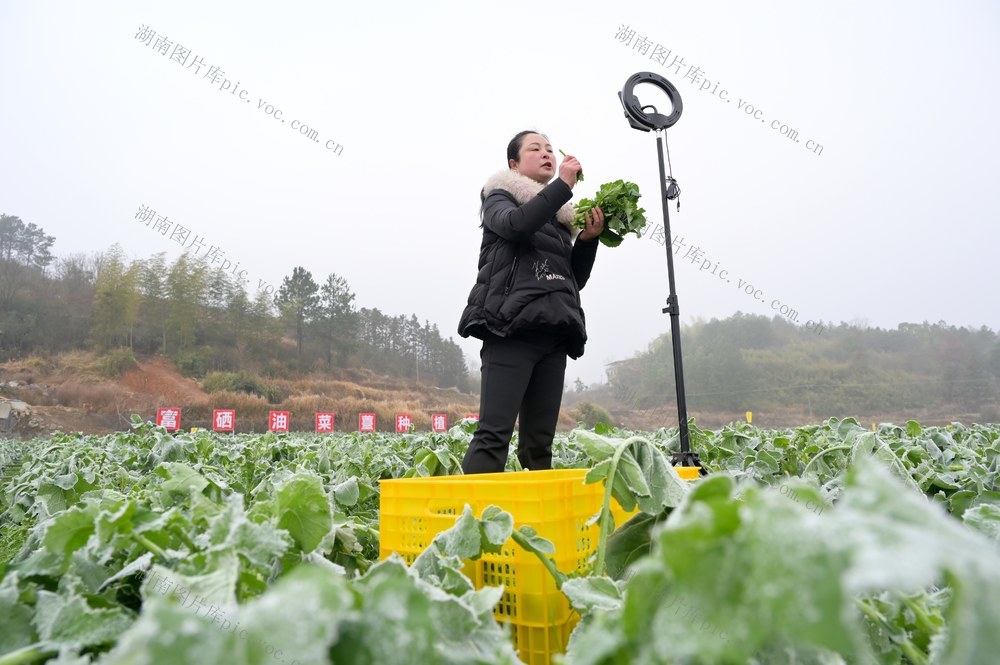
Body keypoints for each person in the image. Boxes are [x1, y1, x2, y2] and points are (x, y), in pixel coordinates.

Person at [458, 130, 605, 474]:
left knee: (539, 443)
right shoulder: (500, 197)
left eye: (550, 150)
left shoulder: (557, 219)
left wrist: (586, 240)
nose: (547, 154)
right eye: (535, 149)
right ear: (514, 163)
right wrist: (563, 187)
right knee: (494, 435)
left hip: (553, 333)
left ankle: (536, 521)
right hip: (510, 328)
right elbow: (516, 226)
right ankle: (468, 521)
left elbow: (572, 280)